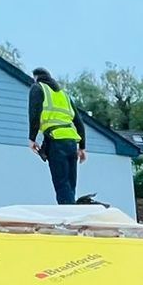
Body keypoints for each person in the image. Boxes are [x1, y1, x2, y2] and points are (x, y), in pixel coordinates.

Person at [26, 68, 86, 204]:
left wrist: (32, 138)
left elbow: (34, 114)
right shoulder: (63, 94)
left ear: (35, 77)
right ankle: (74, 213)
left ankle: (69, 217)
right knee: (70, 185)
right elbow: (79, 122)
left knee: (61, 184)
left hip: (55, 141)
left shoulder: (37, 88)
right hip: (71, 142)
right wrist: (82, 148)